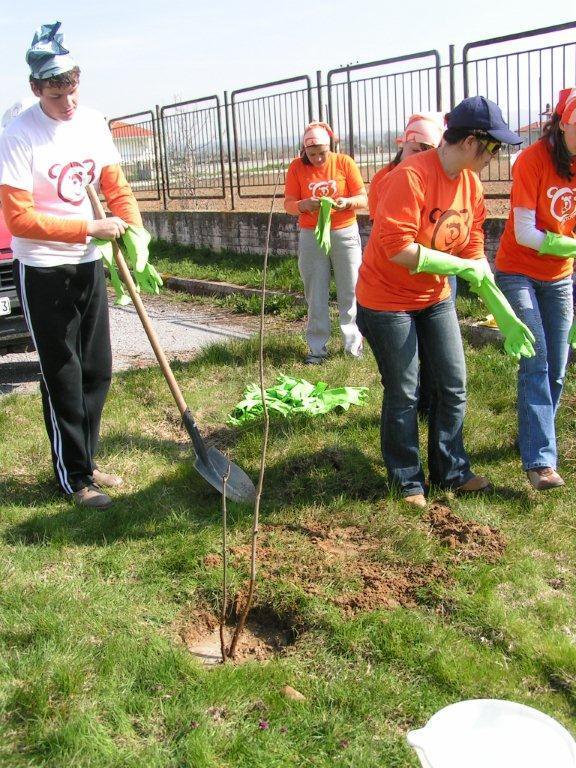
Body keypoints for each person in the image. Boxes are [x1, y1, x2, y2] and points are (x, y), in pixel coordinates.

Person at [0, 22, 160, 509]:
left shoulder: (92, 121)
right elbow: (19, 219)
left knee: (97, 369)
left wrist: (132, 230)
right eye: (54, 88)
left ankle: (85, 459)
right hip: (45, 268)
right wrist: (90, 229)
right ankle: (73, 476)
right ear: (35, 88)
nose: (66, 97)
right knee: (62, 375)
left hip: (90, 264)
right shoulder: (19, 134)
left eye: (71, 83)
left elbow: (115, 185)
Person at [356, 96, 533, 508]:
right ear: (472, 141)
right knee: (403, 391)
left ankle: (451, 470)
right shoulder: (411, 177)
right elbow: (397, 247)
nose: (496, 156)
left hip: (433, 296)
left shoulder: (471, 184)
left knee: (452, 384)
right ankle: (406, 481)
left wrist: (495, 299)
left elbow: (471, 245)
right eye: (494, 147)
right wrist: (459, 266)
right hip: (386, 300)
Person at [495, 87, 576, 491]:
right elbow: (526, 233)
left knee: (558, 367)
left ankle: (532, 431)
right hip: (518, 270)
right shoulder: (532, 160)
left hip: (561, 274)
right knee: (537, 359)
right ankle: (540, 461)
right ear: (562, 124)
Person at [368, 112, 447, 419]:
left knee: (434, 351)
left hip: (435, 272)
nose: (422, 158)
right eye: (416, 150)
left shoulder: (439, 178)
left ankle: (428, 402)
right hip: (395, 284)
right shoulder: (384, 180)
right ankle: (409, 405)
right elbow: (388, 238)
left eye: (430, 151)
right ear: (402, 145)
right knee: (404, 361)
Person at [284, 121, 368, 364]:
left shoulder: (344, 162)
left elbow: (363, 198)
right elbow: (289, 204)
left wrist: (347, 202)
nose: (318, 159)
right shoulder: (296, 168)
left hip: (344, 233)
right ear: (304, 151)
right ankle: (317, 349)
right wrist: (303, 205)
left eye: (323, 153)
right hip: (312, 235)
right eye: (312, 154)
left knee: (350, 289)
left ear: (330, 148)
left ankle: (353, 347)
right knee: (315, 293)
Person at [368, 112, 444, 220]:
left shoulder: (438, 179)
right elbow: (377, 224)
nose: (419, 158)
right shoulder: (381, 178)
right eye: (415, 150)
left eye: (427, 153)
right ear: (403, 143)